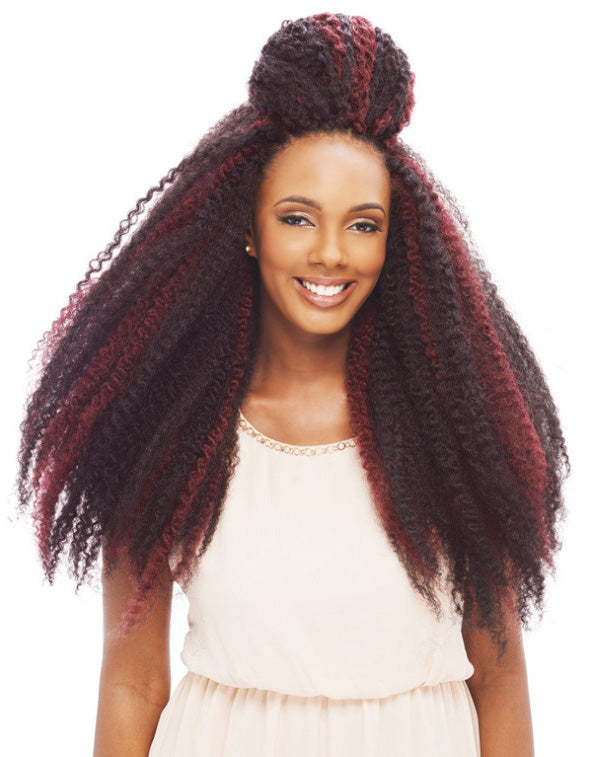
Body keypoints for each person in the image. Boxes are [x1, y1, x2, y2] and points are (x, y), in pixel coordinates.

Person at [15, 12, 569, 757]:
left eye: (364, 225)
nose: (331, 253)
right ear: (250, 227)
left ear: (397, 239)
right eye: (298, 218)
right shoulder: (166, 432)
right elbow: (133, 683)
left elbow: (499, 680)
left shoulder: (454, 432)